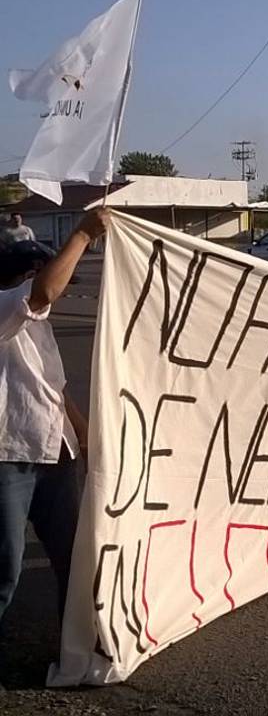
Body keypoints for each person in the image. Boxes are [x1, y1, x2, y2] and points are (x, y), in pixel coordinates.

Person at [1, 209, 109, 644]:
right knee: (5, 569)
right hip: (9, 457)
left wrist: (84, 434)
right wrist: (83, 232)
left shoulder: (35, 327)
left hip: (55, 453)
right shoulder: (7, 307)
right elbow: (44, 293)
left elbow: (54, 388)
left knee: (74, 560)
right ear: (26, 274)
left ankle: (75, 648)